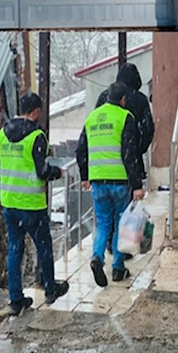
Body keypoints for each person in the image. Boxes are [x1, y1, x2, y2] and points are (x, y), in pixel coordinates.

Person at [0, 93, 70, 316]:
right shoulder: (37, 136)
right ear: (36, 111)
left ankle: (16, 298)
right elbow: (42, 171)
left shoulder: (1, 135)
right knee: (44, 246)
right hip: (31, 204)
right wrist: (57, 171)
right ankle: (49, 289)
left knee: (14, 250)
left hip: (9, 202)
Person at [77, 82, 144, 287]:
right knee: (121, 223)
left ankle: (97, 256)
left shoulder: (92, 118)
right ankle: (117, 267)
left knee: (104, 223)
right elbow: (129, 154)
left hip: (98, 180)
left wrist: (85, 176)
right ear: (123, 99)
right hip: (119, 180)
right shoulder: (125, 118)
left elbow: (80, 150)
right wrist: (137, 185)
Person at [94, 63, 154, 258]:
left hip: (101, 167)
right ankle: (122, 250)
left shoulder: (103, 98)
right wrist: (137, 150)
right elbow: (148, 129)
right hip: (127, 167)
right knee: (125, 212)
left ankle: (102, 251)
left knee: (105, 218)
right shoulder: (140, 100)